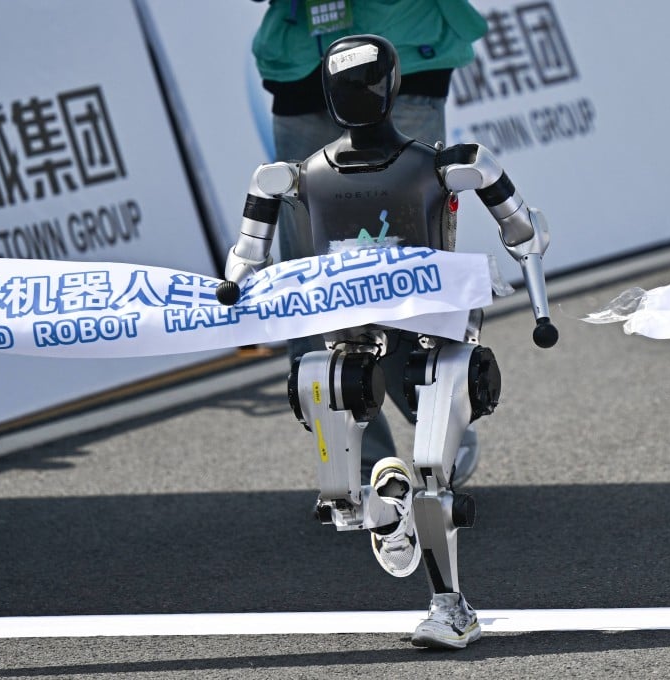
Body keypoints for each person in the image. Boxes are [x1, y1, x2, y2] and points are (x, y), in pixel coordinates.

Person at [218, 33, 556, 649]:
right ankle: (386, 510)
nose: (360, 97)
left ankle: (450, 606)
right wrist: (232, 288)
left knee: (434, 469)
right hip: (346, 334)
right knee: (338, 484)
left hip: (435, 337)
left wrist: (534, 297)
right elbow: (246, 250)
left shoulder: (444, 164)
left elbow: (524, 230)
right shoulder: (300, 176)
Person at [250, 0, 488, 484]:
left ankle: (439, 426)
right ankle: (364, 465)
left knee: (406, 270)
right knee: (310, 281)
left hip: (404, 57)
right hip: (302, 69)